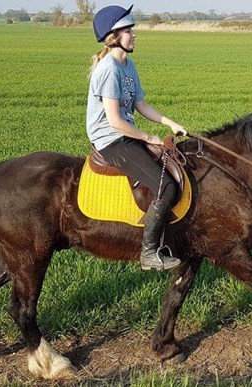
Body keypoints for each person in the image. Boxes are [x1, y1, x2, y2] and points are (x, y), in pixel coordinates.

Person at [88, 4, 186, 271]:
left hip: (126, 135)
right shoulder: (109, 69)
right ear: (114, 36)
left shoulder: (128, 66)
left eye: (133, 30)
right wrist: (149, 137)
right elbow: (116, 121)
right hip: (111, 140)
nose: (134, 34)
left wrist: (170, 122)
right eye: (129, 30)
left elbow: (140, 105)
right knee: (165, 186)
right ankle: (149, 253)